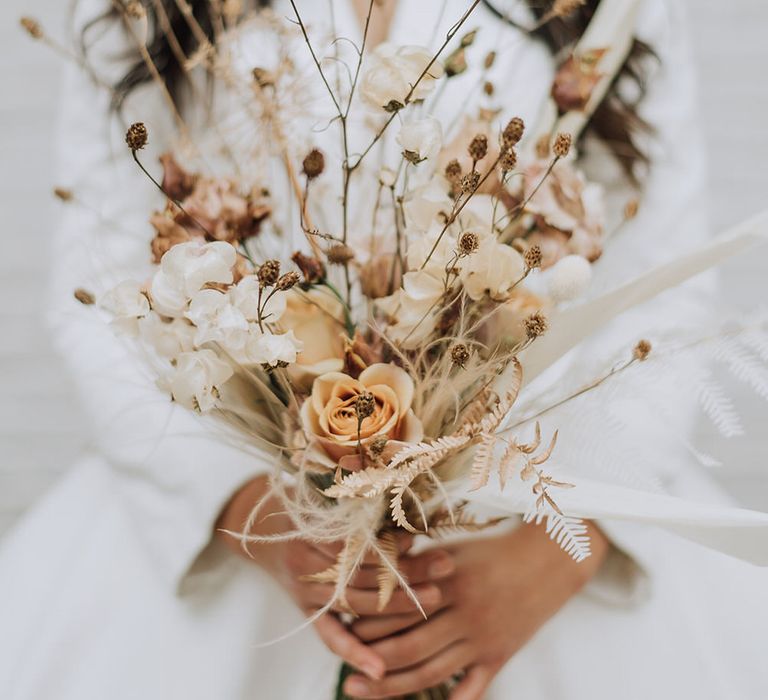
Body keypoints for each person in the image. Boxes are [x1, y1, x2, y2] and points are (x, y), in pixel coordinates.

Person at [1, 1, 767, 699]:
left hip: (534, 512)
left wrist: (560, 550)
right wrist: (253, 516)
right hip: (251, 524)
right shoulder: (147, 12)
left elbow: (663, 287)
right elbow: (100, 285)